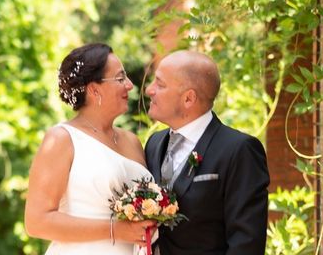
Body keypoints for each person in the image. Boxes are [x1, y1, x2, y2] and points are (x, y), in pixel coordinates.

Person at [25, 43, 156, 254]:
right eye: (120, 78)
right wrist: (115, 230)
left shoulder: (131, 141)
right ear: (94, 89)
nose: (130, 85)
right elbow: (37, 222)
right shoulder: (61, 139)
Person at [145, 50, 269, 255]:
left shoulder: (239, 150)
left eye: (160, 84)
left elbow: (247, 242)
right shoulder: (154, 144)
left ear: (188, 99)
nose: (150, 90)